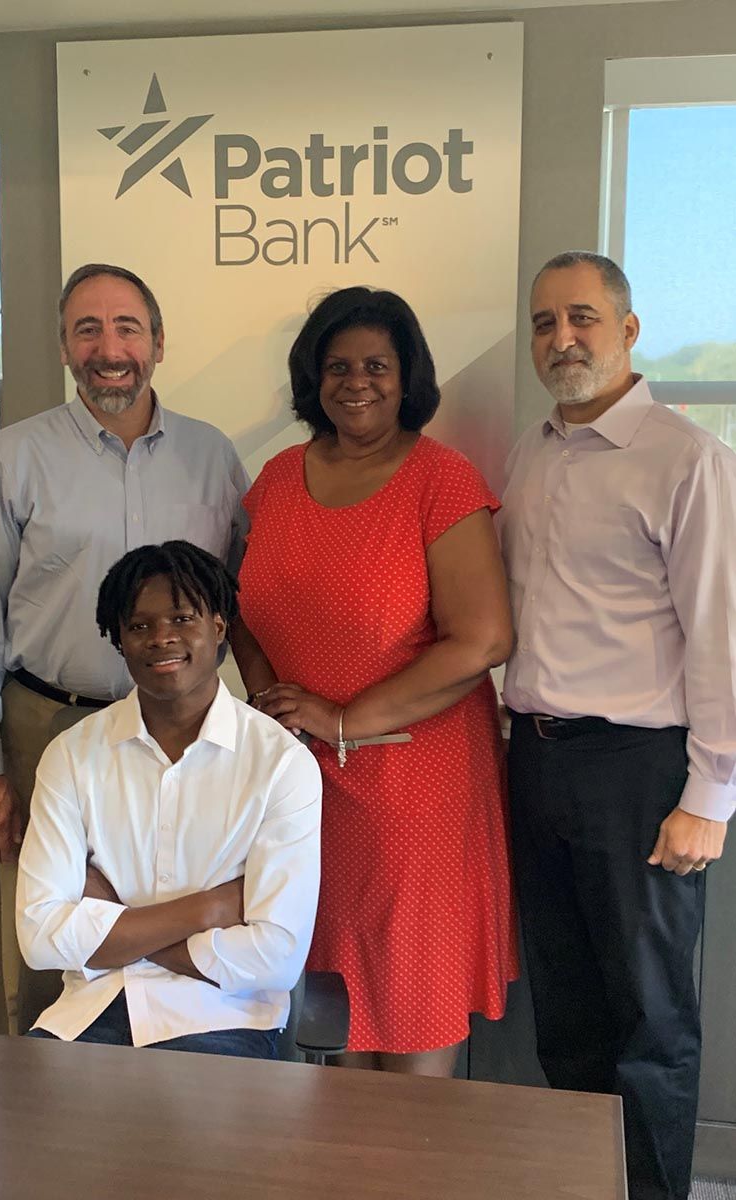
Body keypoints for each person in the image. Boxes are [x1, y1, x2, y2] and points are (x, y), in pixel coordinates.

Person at [0, 263, 250, 1033]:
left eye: (126, 328)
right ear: (64, 348)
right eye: (88, 329)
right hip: (51, 727)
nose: (108, 348)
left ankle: (182, 1111)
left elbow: (242, 603)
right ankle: (46, 1119)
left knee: (187, 931)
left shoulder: (213, 459)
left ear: (158, 343)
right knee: (57, 949)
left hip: (183, 736)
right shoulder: (14, 458)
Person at [498, 250, 736, 1200]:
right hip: (537, 760)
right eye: (546, 323)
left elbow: (723, 636)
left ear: (628, 330)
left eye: (583, 319)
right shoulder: (531, 451)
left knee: (650, 1021)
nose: (563, 339)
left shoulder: (688, 460)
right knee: (567, 1011)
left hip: (641, 773)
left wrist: (710, 796)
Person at [236, 286, 518, 1076]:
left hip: (413, 788)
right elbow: (244, 609)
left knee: (411, 1013)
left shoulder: (442, 480)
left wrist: (344, 719)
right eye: (337, 366)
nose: (356, 382)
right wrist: (275, 708)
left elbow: (486, 638)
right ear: (312, 378)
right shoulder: (278, 478)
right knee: (329, 1019)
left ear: (408, 377)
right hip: (303, 785)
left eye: (376, 365)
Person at [16, 540, 322, 1053]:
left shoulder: (280, 764)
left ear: (219, 628)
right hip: (85, 1018)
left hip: (222, 1020)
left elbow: (277, 957)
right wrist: (207, 909)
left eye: (182, 619)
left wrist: (117, 921)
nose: (161, 638)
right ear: (119, 641)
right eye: (139, 626)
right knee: (27, 1128)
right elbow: (40, 937)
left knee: (169, 1133)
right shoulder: (71, 756)